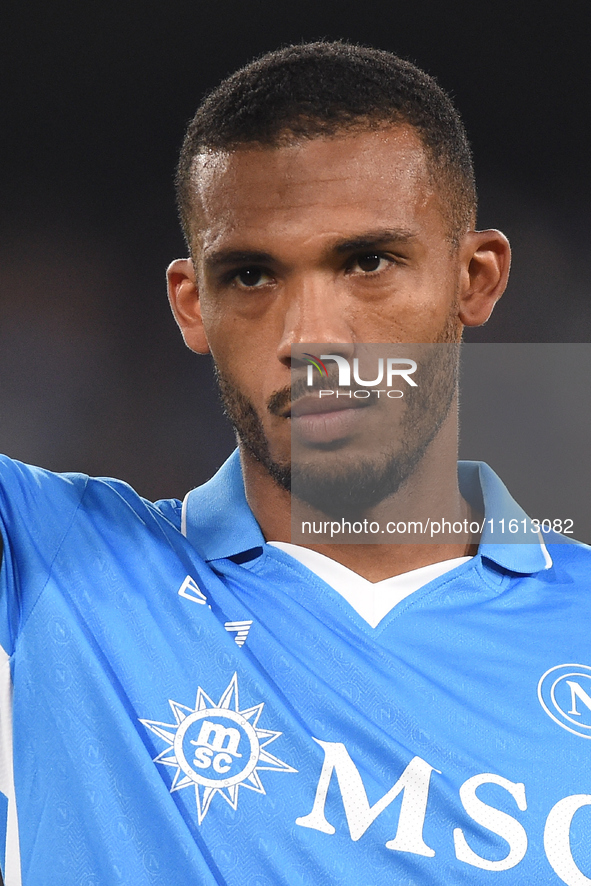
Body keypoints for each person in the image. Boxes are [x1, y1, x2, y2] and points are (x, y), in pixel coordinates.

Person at [0, 41, 589, 886]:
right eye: (250, 275)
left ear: (474, 277)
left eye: (367, 262)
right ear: (191, 304)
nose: (311, 336)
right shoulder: (44, 564)